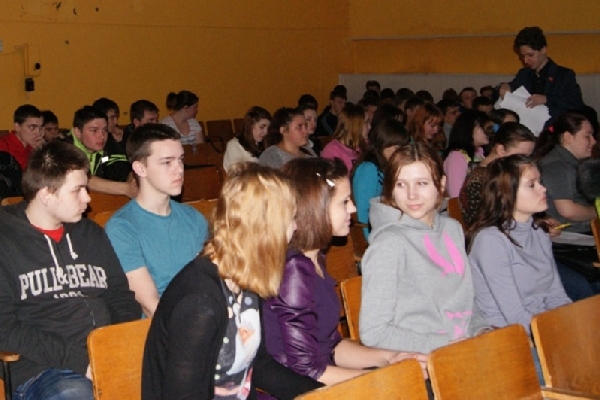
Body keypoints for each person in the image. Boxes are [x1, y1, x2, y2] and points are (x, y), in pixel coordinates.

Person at [142, 162, 322, 400]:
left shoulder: (243, 278)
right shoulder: (201, 303)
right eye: (291, 218)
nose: (296, 227)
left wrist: (326, 395)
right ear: (264, 229)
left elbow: (260, 365)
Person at [262, 158, 427, 387]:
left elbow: (331, 347)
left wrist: (390, 358)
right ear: (315, 209)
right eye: (344, 202)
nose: (353, 208)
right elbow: (307, 370)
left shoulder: (315, 258)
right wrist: (385, 379)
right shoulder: (293, 272)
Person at [0, 141, 140, 399]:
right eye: (77, 190)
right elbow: (5, 328)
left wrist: (116, 348)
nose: (88, 198)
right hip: (44, 369)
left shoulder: (90, 233)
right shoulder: (5, 241)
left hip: (107, 354)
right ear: (46, 195)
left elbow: (120, 297)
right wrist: (79, 360)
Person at [360, 142, 490, 354]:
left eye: (421, 183)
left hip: (464, 347)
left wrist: (480, 329)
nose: (412, 195)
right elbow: (374, 332)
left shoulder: (453, 229)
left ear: (441, 184)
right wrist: (443, 345)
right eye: (401, 184)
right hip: (423, 356)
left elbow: (466, 300)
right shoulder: (389, 245)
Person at [105, 124, 208, 317]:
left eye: (180, 160)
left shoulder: (194, 218)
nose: (179, 169)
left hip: (201, 315)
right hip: (162, 326)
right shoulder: (122, 227)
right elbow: (151, 305)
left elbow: (210, 282)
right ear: (140, 168)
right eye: (167, 162)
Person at [467, 155, 571, 332]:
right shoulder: (491, 241)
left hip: (540, 325)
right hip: (507, 334)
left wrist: (571, 320)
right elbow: (514, 316)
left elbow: (556, 295)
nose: (543, 188)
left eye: (540, 182)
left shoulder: (538, 232)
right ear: (507, 193)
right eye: (531, 185)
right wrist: (553, 334)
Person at [499, 27, 584, 121]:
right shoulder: (524, 74)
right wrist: (505, 86)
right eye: (523, 56)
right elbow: (511, 87)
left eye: (530, 55)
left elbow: (576, 103)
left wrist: (546, 99)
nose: (526, 61)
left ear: (543, 50)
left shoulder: (563, 75)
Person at [459, 122, 535, 226]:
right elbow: (483, 222)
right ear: (501, 150)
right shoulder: (479, 181)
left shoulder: (501, 174)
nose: (526, 162)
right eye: (521, 156)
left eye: (528, 157)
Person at [536, 112, 596, 233]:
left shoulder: (567, 163)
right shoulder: (558, 166)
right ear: (568, 137)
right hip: (573, 236)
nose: (593, 141)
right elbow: (568, 211)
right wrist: (597, 211)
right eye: (587, 136)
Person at [352, 119, 409, 239]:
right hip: (376, 234)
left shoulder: (389, 167)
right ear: (383, 145)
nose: (400, 153)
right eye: (396, 148)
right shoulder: (369, 169)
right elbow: (363, 213)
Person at [69, 105, 137, 197]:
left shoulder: (109, 142)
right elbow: (80, 178)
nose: (102, 136)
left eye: (105, 130)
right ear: (77, 132)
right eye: (94, 131)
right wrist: (125, 188)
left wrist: (131, 180)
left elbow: (121, 166)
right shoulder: (63, 148)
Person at [443, 110, 490, 197]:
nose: (488, 131)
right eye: (483, 127)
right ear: (469, 129)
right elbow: (456, 194)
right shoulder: (457, 157)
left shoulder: (481, 153)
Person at [321, 104, 370, 175]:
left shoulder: (366, 145)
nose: (369, 127)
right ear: (355, 126)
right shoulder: (332, 151)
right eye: (366, 123)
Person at [223, 106, 272, 171]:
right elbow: (236, 173)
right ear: (250, 126)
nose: (266, 132)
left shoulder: (264, 144)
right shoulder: (234, 145)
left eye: (268, 128)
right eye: (261, 127)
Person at [0, 104, 44, 170]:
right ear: (17, 127)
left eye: (40, 128)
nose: (38, 132)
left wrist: (41, 151)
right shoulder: (3, 145)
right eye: (32, 127)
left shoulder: (34, 147)